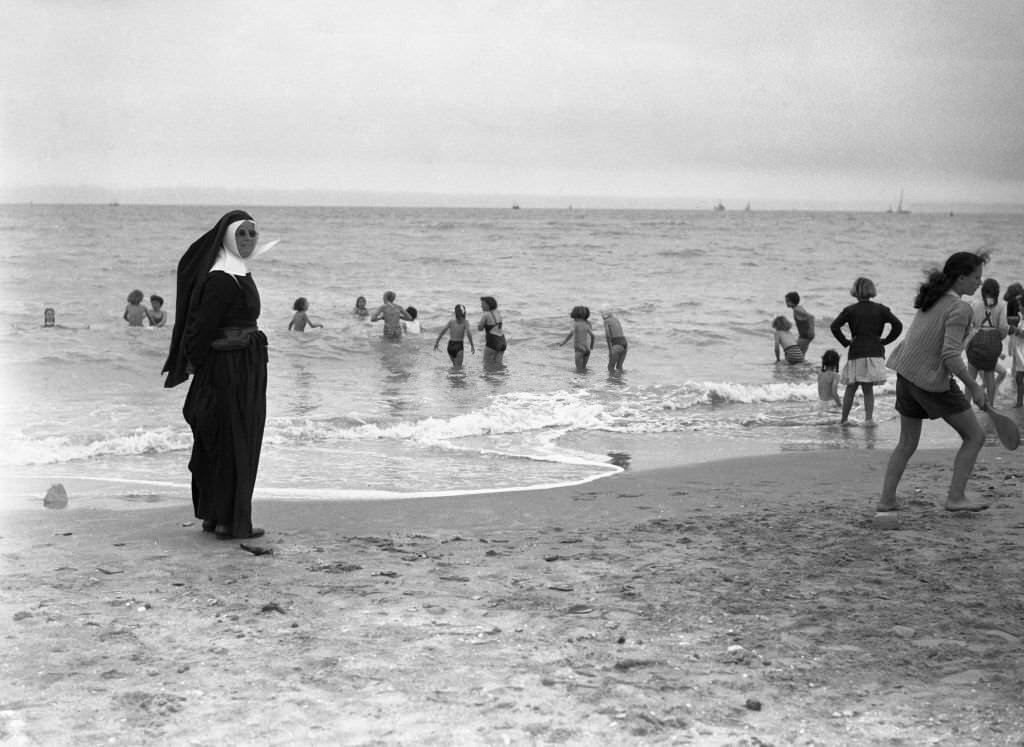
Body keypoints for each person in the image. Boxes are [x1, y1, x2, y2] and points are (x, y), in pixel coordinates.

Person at [161, 210, 277, 540]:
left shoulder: (237, 273)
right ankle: (229, 522)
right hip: (231, 370)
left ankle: (216, 516)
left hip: (242, 367)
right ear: (227, 237)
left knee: (227, 440)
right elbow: (199, 329)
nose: (249, 239)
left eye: (253, 234)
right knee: (234, 441)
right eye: (242, 234)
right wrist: (201, 365)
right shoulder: (222, 278)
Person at [878, 251, 990, 513]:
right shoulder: (959, 307)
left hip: (905, 374)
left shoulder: (934, 297)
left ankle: (886, 500)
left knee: (906, 443)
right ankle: (956, 498)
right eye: (976, 277)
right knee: (975, 436)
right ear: (961, 278)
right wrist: (974, 386)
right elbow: (949, 354)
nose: (979, 283)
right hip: (930, 380)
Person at [829, 277, 903, 425]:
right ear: (871, 290)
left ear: (855, 291)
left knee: (851, 387)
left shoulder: (850, 310)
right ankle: (869, 419)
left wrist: (846, 342)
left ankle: (844, 420)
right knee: (868, 388)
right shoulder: (881, 309)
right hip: (875, 351)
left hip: (857, 351)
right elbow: (898, 325)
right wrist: (885, 341)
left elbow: (834, 326)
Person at [965, 278, 1008, 404]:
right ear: (997, 293)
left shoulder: (975, 304)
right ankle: (990, 404)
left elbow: (970, 325)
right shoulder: (1001, 306)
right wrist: (996, 338)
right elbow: (1003, 328)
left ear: (983, 292)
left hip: (976, 342)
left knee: (970, 377)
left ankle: (966, 405)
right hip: (992, 347)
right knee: (990, 376)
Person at [433, 304, 475, 368]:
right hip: (458, 345)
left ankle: (451, 377)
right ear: (464, 312)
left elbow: (442, 332)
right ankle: (454, 377)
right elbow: (469, 334)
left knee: (455, 365)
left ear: (455, 312)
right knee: (458, 367)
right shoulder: (465, 322)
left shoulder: (451, 322)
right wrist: (472, 345)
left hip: (450, 346)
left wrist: (437, 343)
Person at [558, 305, 595, 372]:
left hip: (579, 349)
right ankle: (585, 381)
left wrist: (563, 343)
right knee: (583, 368)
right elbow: (592, 336)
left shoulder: (575, 324)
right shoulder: (586, 324)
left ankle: (579, 382)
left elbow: (570, 334)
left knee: (578, 370)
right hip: (587, 349)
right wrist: (591, 345)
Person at [1004, 282, 1024, 407]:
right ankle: (1019, 403)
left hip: (1022, 352)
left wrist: (1015, 330)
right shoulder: (1021, 318)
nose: (1019, 308)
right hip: (1020, 350)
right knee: (1019, 378)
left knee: (1019, 377)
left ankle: (1019, 402)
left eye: (1020, 306)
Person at [478, 296, 507, 368]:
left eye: (483, 304)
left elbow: (480, 328)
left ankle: (490, 379)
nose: (481, 306)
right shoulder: (498, 313)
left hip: (492, 342)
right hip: (502, 341)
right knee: (498, 365)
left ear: (488, 305)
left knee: (486, 365)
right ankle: (498, 378)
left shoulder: (486, 314)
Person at [601, 308, 628, 372]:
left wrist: (610, 349)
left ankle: (612, 381)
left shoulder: (606, 321)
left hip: (617, 344)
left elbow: (607, 335)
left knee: (610, 367)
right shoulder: (616, 319)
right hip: (624, 343)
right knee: (619, 367)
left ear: (604, 315)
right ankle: (620, 381)